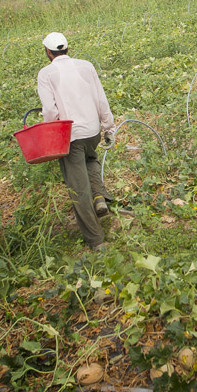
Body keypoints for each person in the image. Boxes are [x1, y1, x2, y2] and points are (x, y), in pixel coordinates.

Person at [36, 32, 116, 250]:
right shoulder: (86, 66)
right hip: (92, 131)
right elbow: (101, 98)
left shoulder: (46, 74)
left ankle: (96, 240)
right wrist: (108, 127)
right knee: (91, 159)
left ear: (48, 52)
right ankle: (99, 196)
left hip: (70, 136)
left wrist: (50, 137)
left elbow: (50, 111)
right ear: (67, 49)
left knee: (78, 188)